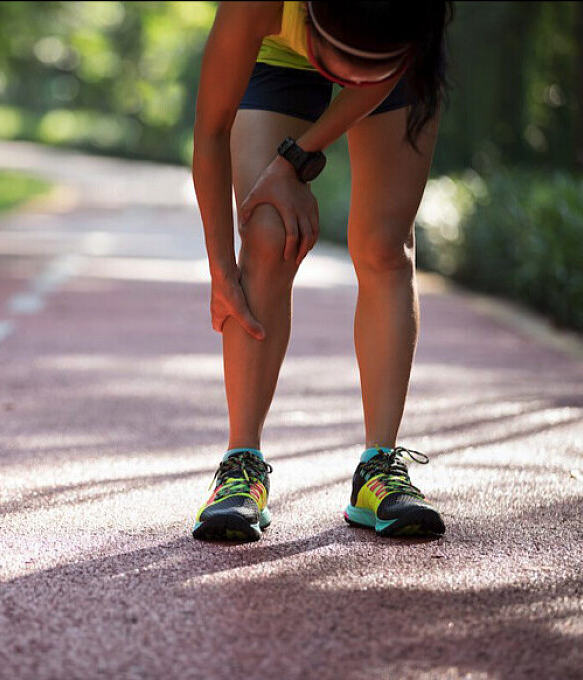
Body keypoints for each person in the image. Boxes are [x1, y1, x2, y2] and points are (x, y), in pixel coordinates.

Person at [191, 1, 452, 541]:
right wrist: (221, 272)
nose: (347, 80)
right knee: (268, 231)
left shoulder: (411, 19)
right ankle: (241, 466)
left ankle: (378, 467)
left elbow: (379, 73)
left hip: (395, 53)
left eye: (360, 70)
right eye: (340, 65)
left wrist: (296, 158)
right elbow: (211, 131)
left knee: (383, 246)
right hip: (277, 58)